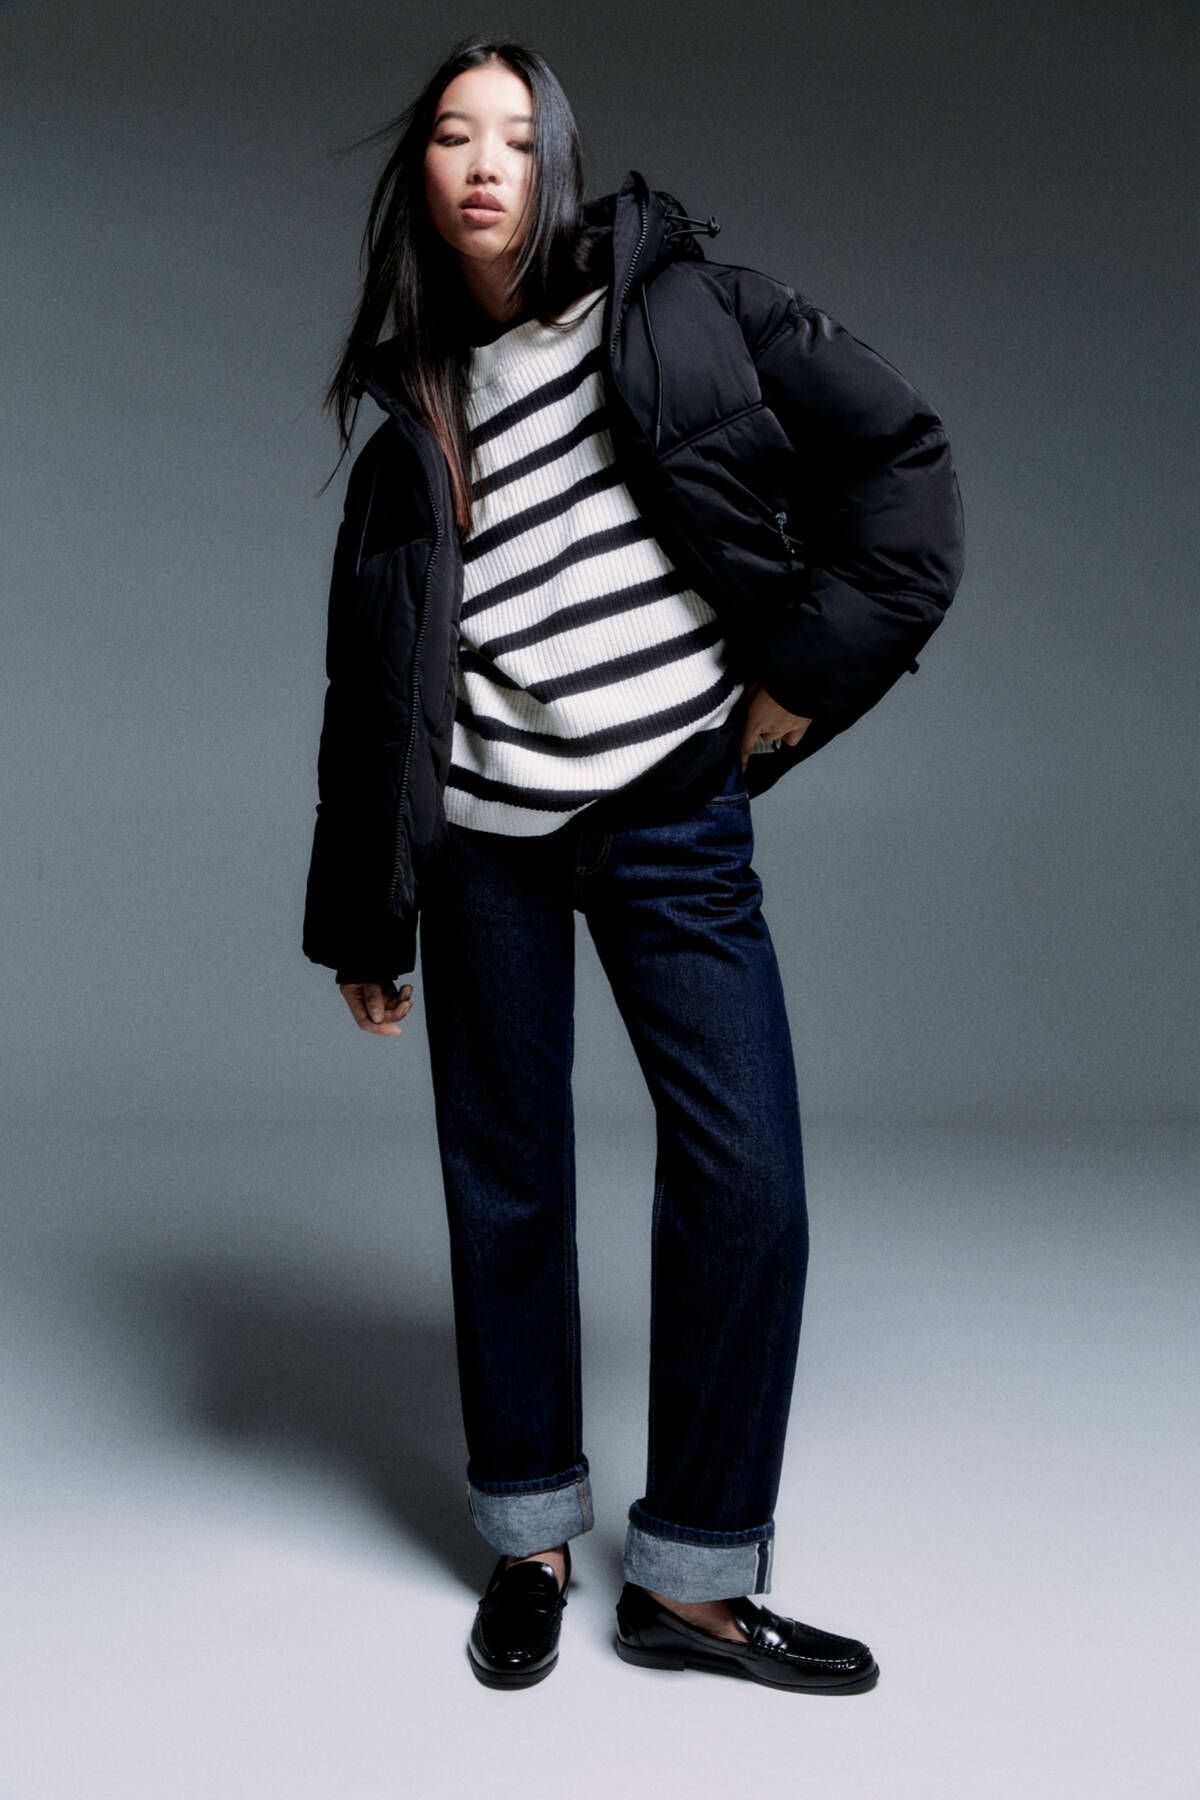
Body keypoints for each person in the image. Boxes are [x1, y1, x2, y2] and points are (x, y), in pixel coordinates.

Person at [303, 35, 965, 1692]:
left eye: (515, 138)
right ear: (420, 178)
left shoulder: (680, 312)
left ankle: (693, 1582)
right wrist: (365, 915)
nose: (484, 163)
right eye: (453, 136)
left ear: (560, 166)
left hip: (672, 811)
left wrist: (798, 681)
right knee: (507, 1185)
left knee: (748, 1183)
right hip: (482, 846)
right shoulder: (413, 407)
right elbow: (372, 688)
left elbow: (903, 468)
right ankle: (529, 1536)